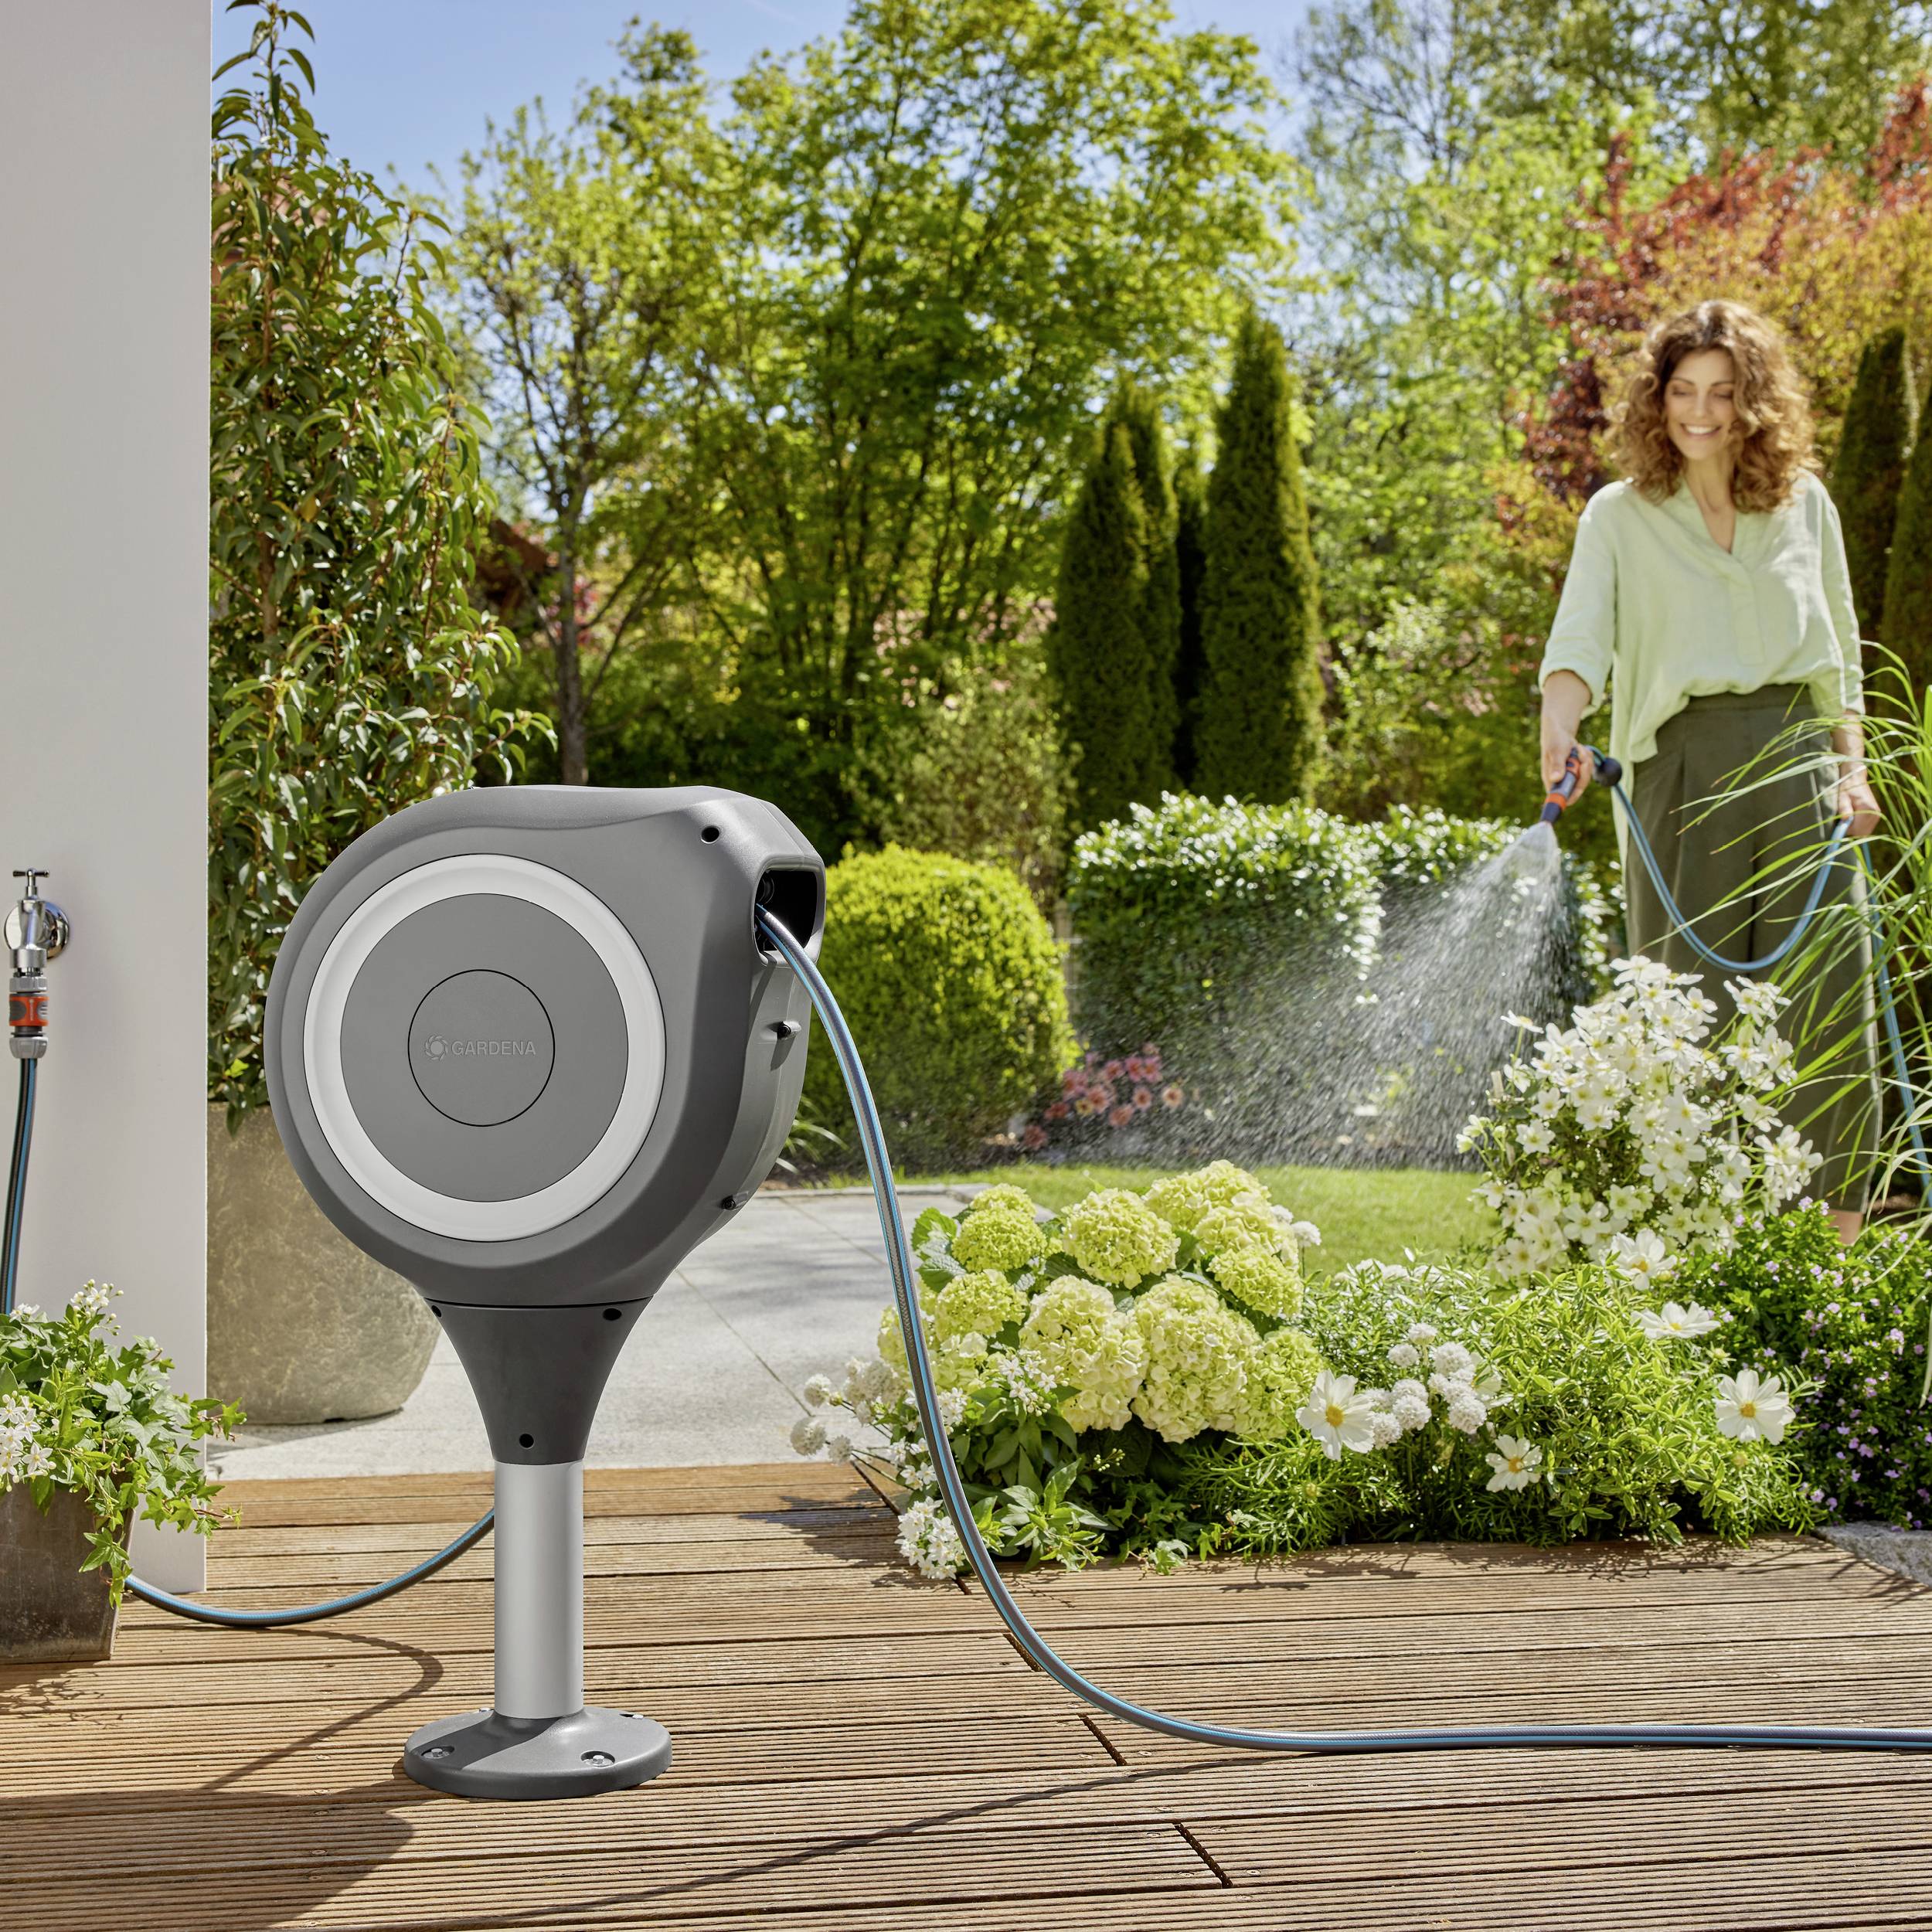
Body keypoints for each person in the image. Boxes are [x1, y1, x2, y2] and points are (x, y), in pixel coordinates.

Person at [1538, 298, 1882, 1243]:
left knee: (1826, 1009)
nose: (1700, 411)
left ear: (1752, 400)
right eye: (1683, 390)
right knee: (1685, 1011)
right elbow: (1577, 645)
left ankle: (1830, 1276)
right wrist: (1559, 727)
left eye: (1722, 392)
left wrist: (1852, 774)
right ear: (1656, 400)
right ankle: (1691, 1261)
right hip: (1681, 774)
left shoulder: (1805, 503)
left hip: (1802, 768)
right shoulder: (1619, 515)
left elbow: (1838, 661)